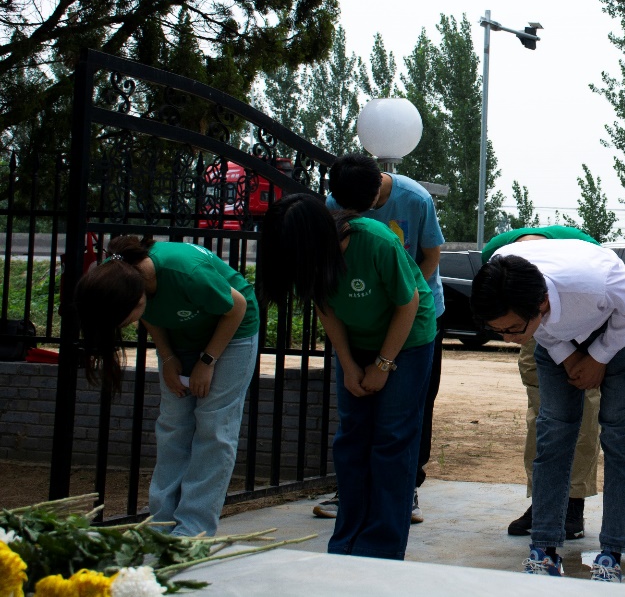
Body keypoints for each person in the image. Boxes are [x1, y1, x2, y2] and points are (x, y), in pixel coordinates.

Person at [256, 193, 436, 560]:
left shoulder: (376, 241)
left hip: (407, 340)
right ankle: (347, 540)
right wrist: (349, 364)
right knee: (352, 438)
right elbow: (325, 306)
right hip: (355, 341)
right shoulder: (310, 258)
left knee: (392, 439)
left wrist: (383, 365)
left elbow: (409, 304)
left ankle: (381, 547)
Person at [470, 238, 625, 582]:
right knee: (554, 433)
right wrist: (568, 357)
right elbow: (543, 330)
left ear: (540, 302)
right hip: (557, 334)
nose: (507, 339)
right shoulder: (502, 274)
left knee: (619, 436)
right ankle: (543, 549)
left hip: (620, 327)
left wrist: (599, 356)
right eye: (498, 331)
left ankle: (612, 553)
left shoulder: (595, 282)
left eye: (511, 329)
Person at [75, 236, 259, 537]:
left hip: (232, 330)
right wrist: (168, 356)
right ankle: (162, 525)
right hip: (179, 334)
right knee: (173, 426)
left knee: (214, 426)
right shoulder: (119, 276)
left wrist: (207, 361)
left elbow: (236, 306)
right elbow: (149, 315)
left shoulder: (186, 272)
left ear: (136, 299)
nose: (125, 327)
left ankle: (193, 529)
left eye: (123, 322)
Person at [316, 153, 446, 525]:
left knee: (406, 413)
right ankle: (351, 493)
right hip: (362, 314)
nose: (355, 216)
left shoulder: (415, 198)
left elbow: (431, 254)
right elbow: (326, 287)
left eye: (362, 206)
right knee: (357, 417)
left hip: (412, 309)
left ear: (378, 186)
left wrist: (401, 292)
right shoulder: (335, 204)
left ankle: (407, 490)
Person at [481, 225, 602, 540]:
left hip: (580, 321)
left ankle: (573, 503)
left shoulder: (581, 245)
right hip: (532, 324)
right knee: (541, 417)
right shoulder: (496, 249)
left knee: (585, 414)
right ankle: (542, 501)